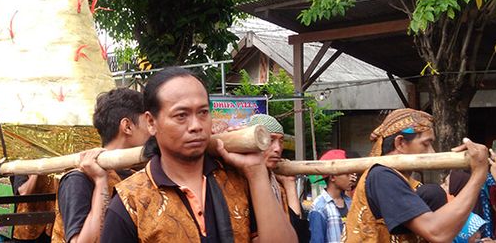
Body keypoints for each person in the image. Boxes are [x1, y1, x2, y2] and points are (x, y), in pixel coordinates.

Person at [100, 67, 297, 243]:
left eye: (203, 112)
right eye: (181, 115)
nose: (196, 126)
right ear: (151, 122)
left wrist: (256, 172)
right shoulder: (131, 202)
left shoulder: (239, 181)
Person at [341, 108, 490, 243]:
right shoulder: (381, 175)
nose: (432, 152)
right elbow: (437, 233)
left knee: (433, 194)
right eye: (426, 144)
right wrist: (478, 176)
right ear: (400, 143)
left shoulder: (411, 185)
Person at [51, 87, 151, 243]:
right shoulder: (78, 180)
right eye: (149, 123)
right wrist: (100, 182)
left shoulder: (137, 174)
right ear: (127, 126)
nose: (154, 130)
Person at [246, 114, 310, 242]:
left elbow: (299, 235)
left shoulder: (278, 186)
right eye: (270, 140)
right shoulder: (240, 185)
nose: (278, 149)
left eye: (281, 141)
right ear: (253, 142)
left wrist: (290, 185)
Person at [309, 149, 354, 243]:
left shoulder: (351, 203)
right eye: (347, 174)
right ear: (333, 177)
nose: (351, 178)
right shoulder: (319, 207)